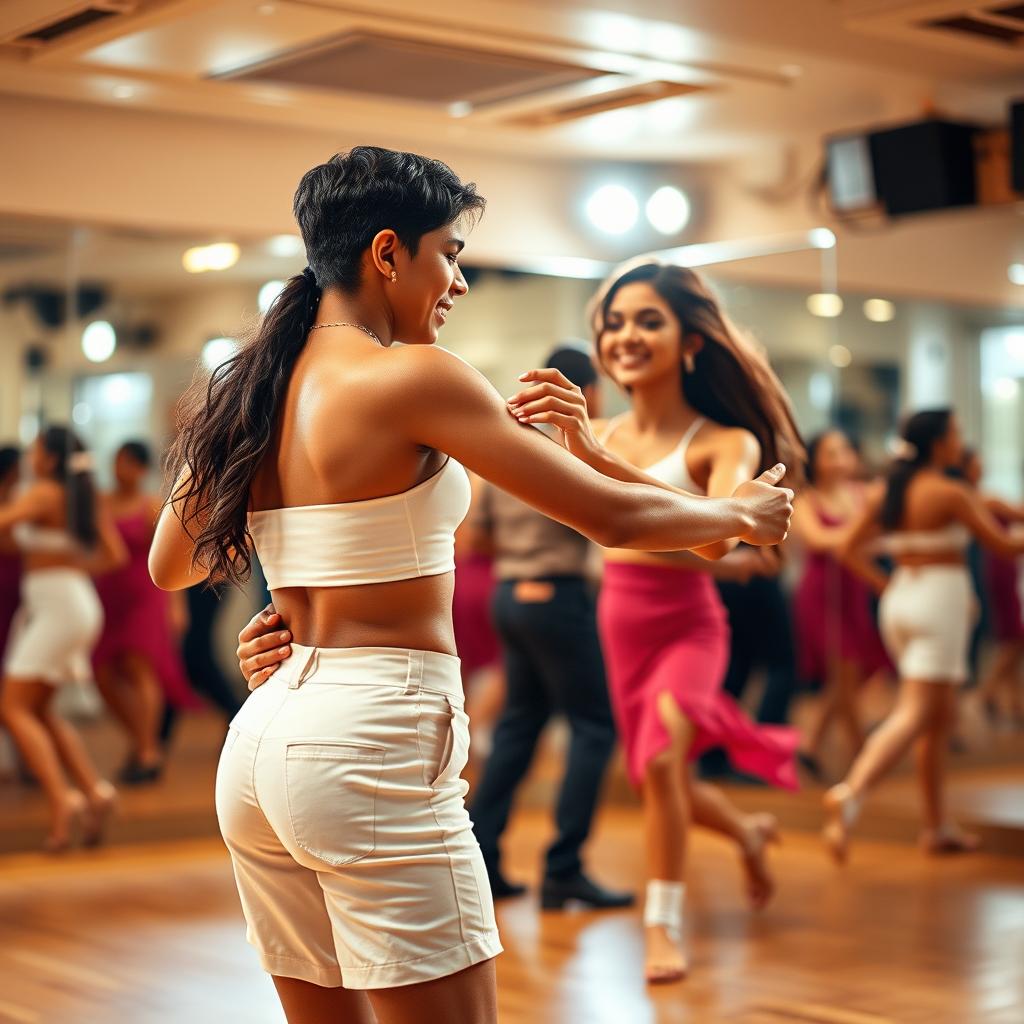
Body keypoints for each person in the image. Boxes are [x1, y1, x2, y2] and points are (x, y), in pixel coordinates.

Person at [159, 146, 794, 1023]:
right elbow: (613, 521)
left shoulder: (253, 387)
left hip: (261, 748)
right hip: (368, 745)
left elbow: (173, 563)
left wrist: (295, 602)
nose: (458, 281)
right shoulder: (415, 375)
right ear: (388, 254)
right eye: (449, 252)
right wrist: (739, 517)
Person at [503, 260, 804, 984]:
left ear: (689, 342)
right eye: (613, 323)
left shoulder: (723, 440)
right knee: (652, 777)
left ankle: (662, 925)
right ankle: (748, 831)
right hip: (619, 620)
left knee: (665, 762)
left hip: (690, 627)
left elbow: (713, 539)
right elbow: (600, 524)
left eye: (648, 320)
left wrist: (600, 459)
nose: (625, 336)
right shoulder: (592, 427)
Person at [465, 343, 631, 911]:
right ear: (588, 392)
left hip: (511, 596)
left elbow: (478, 533)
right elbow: (613, 517)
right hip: (559, 597)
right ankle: (564, 869)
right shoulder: (578, 447)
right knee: (594, 728)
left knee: (519, 727)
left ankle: (482, 862)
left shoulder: (508, 445)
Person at [826, 410, 1024, 861]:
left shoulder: (886, 493)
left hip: (902, 602)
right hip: (939, 603)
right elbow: (1005, 544)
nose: (960, 440)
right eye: (955, 433)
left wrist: (887, 585)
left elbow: (846, 548)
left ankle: (936, 827)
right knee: (916, 713)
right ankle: (852, 792)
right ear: (939, 444)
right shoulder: (949, 492)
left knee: (934, 720)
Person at [0, 427, 126, 851]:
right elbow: (113, 555)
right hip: (72, 602)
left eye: (36, 450)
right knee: (41, 709)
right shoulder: (79, 497)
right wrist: (68, 563)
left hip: (57, 607)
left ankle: (62, 799)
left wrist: (56, 566)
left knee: (12, 707)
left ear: (50, 459)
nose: (31, 457)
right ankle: (94, 792)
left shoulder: (43, 494)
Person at [92, 441, 198, 783]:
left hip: (145, 597)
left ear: (141, 469)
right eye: (118, 461)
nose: (121, 469)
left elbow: (173, 556)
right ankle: (142, 742)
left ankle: (147, 751)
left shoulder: (151, 506)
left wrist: (177, 605)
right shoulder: (100, 503)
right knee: (103, 674)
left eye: (129, 463)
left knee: (140, 669)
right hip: (108, 597)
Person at [790, 430, 890, 778]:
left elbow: (876, 539)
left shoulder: (860, 494)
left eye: (844, 450)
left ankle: (811, 745)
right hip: (821, 595)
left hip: (854, 591)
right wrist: (855, 537)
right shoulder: (805, 500)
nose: (840, 458)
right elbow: (817, 540)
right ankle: (862, 753)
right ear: (815, 459)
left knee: (849, 674)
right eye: (831, 452)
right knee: (844, 669)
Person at [959, 449, 1024, 724]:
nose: (982, 466)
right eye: (977, 463)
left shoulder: (972, 498)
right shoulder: (984, 500)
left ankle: (1012, 704)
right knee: (1015, 639)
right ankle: (987, 694)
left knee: (1010, 640)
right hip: (995, 572)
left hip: (994, 570)